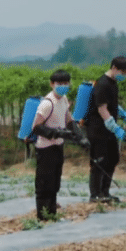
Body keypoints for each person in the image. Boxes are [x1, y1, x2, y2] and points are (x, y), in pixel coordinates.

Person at [31, 70, 89, 221]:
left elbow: (69, 120)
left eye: (65, 83)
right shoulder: (47, 103)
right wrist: (58, 133)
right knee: (45, 184)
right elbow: (36, 127)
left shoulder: (63, 99)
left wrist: (80, 137)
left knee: (55, 182)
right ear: (52, 84)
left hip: (58, 147)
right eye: (59, 84)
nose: (63, 86)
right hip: (45, 149)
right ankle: (43, 217)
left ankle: (52, 214)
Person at [86, 56, 126, 203]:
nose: (124, 75)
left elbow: (110, 104)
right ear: (114, 68)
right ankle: (95, 194)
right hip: (98, 129)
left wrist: (121, 113)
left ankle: (105, 192)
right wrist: (114, 126)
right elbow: (102, 108)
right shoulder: (103, 84)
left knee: (113, 158)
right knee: (99, 161)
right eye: (122, 72)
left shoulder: (113, 83)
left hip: (108, 130)